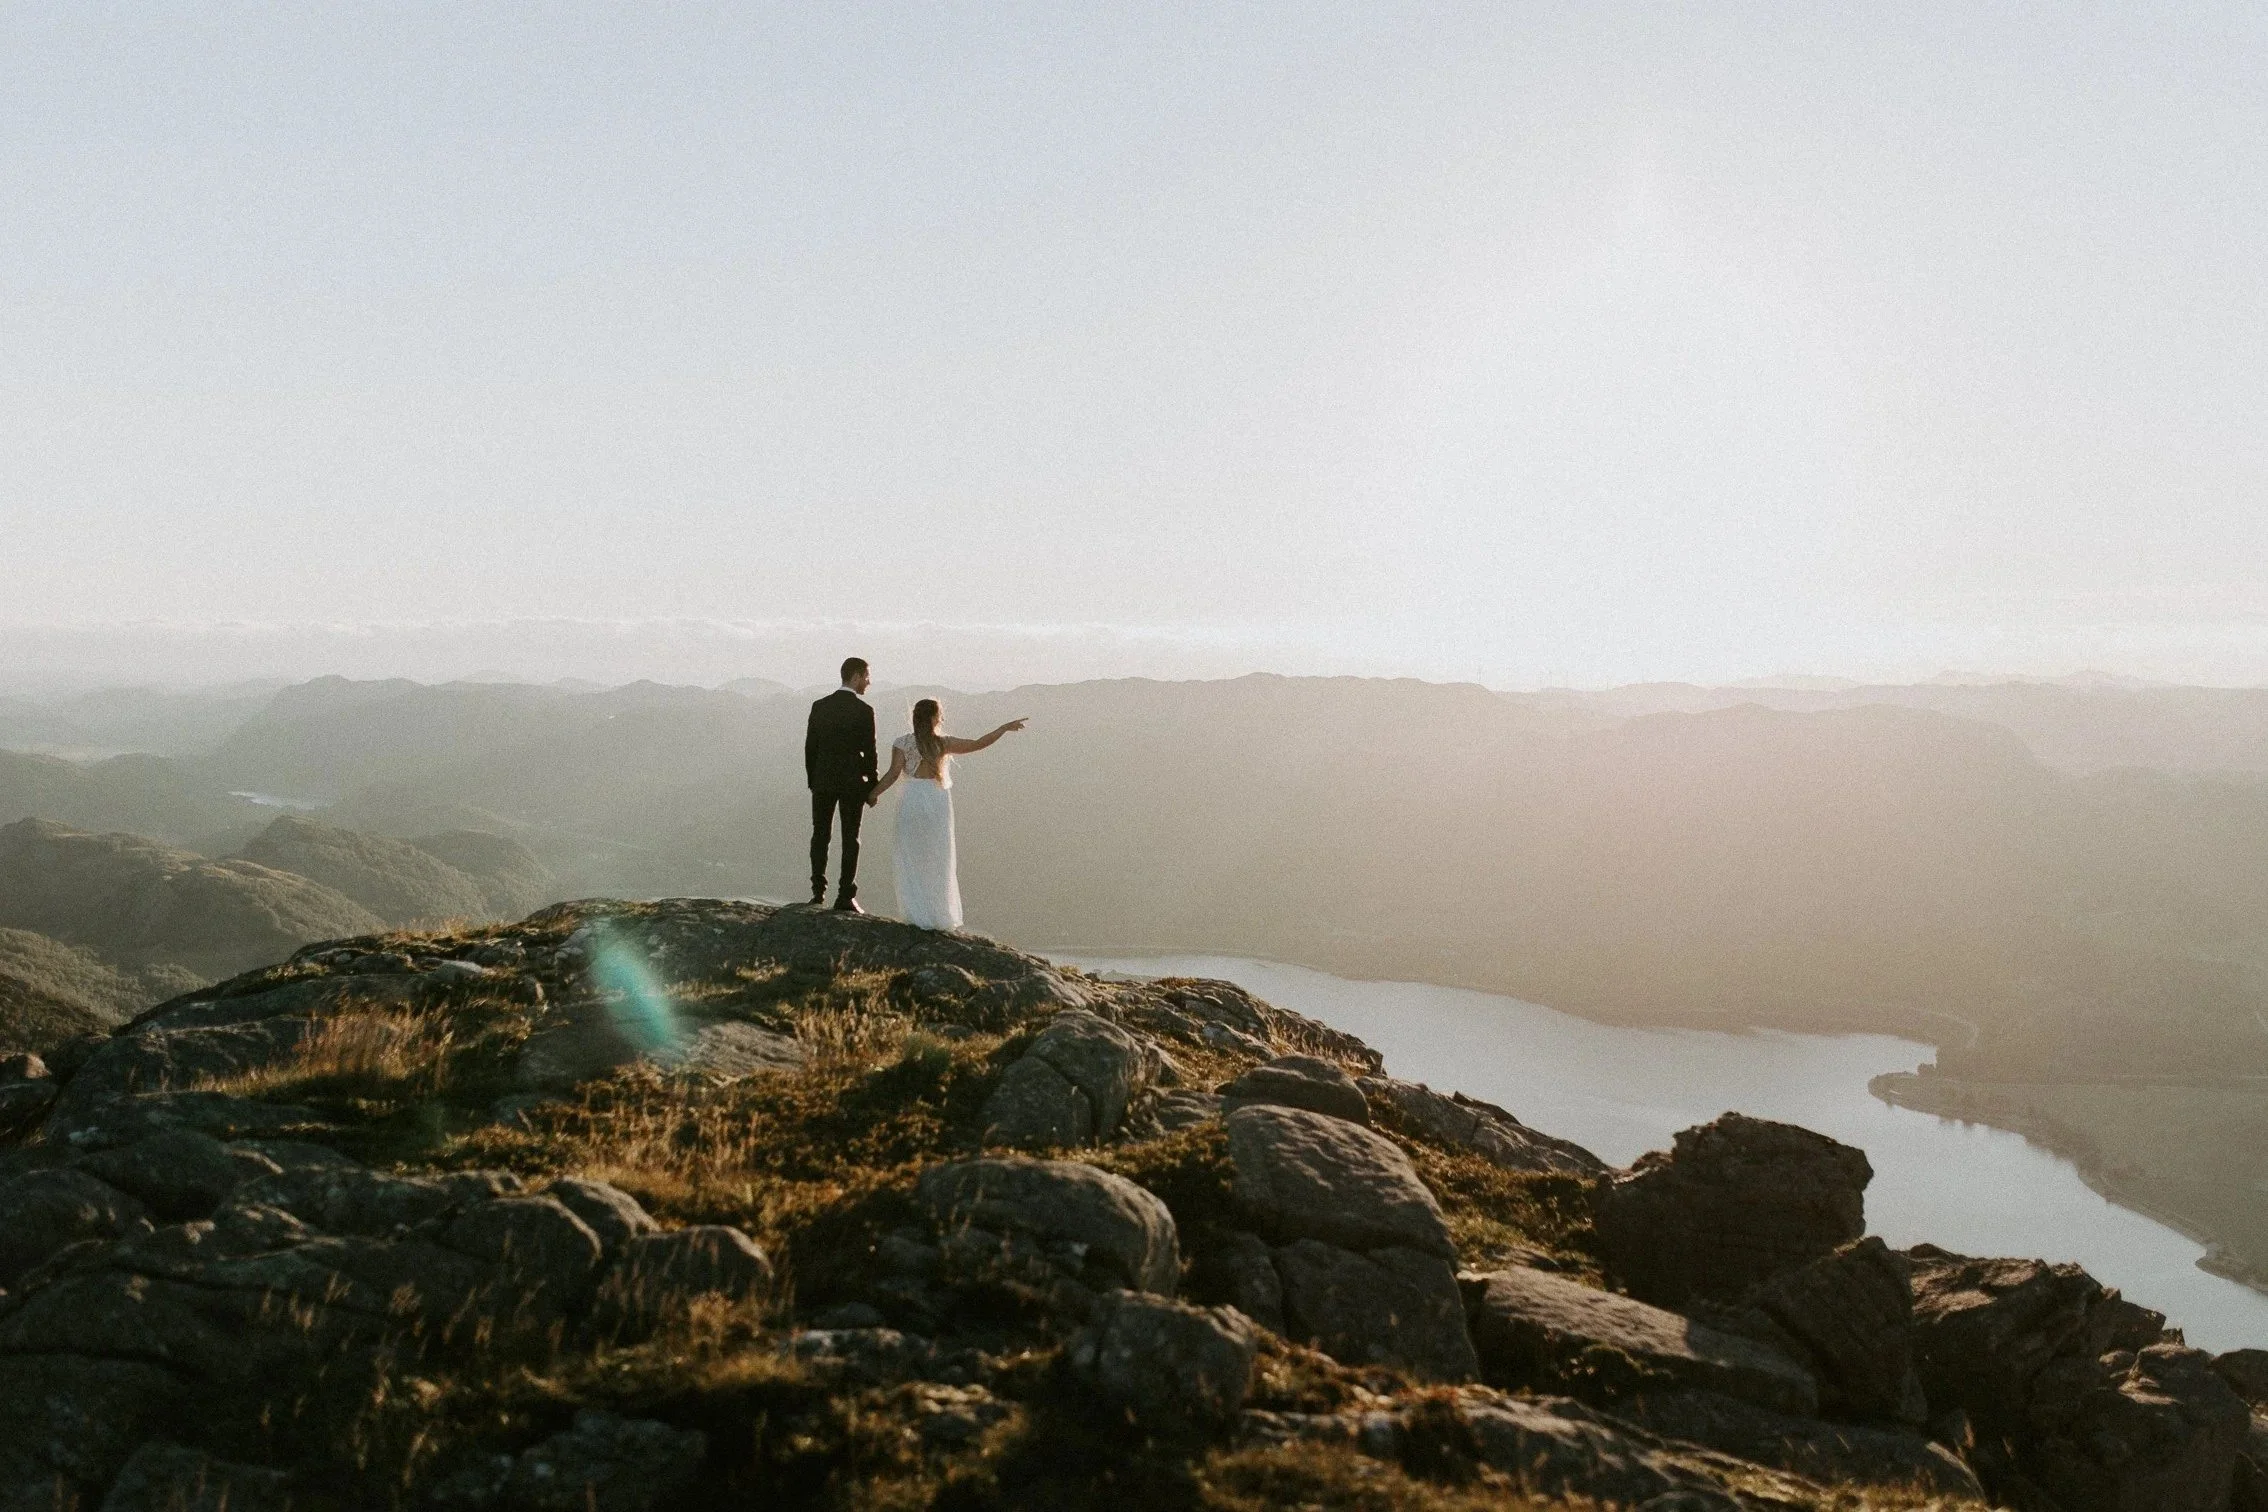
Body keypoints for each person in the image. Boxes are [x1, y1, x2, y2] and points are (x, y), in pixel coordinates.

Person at [868, 697, 1026, 929]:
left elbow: (892, 774)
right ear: (934, 719)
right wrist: (1003, 728)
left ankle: (915, 913)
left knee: (911, 855)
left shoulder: (901, 743)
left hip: (911, 798)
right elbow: (977, 744)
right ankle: (936, 913)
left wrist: (873, 794)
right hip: (936, 798)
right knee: (937, 856)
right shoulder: (942, 743)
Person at [805, 656, 878, 911]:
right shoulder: (864, 711)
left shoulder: (819, 706)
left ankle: (817, 892)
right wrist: (873, 785)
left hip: (823, 780)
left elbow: (810, 748)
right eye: (867, 677)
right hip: (851, 782)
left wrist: (813, 780)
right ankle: (845, 895)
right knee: (851, 838)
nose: (868, 682)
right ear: (856, 676)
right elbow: (870, 752)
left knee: (820, 835)